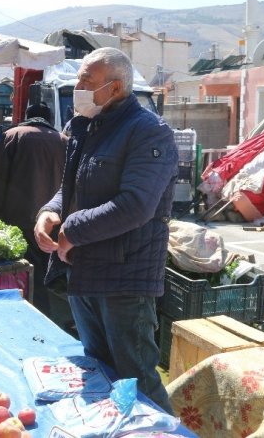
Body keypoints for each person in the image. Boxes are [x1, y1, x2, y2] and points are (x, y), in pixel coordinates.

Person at [34, 47, 178, 414]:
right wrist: (50, 212)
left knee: (137, 379)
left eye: (86, 80)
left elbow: (136, 205)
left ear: (115, 88)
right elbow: (73, 187)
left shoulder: (148, 133)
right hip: (85, 271)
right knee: (99, 371)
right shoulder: (87, 127)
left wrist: (71, 231)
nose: (78, 86)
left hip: (125, 278)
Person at [0, 102, 66, 315]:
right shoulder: (63, 140)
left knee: (24, 267)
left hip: (18, 214)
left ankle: (32, 310)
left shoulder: (13, 135)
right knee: (44, 266)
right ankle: (44, 309)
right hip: (52, 217)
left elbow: (0, 176)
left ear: (26, 115)